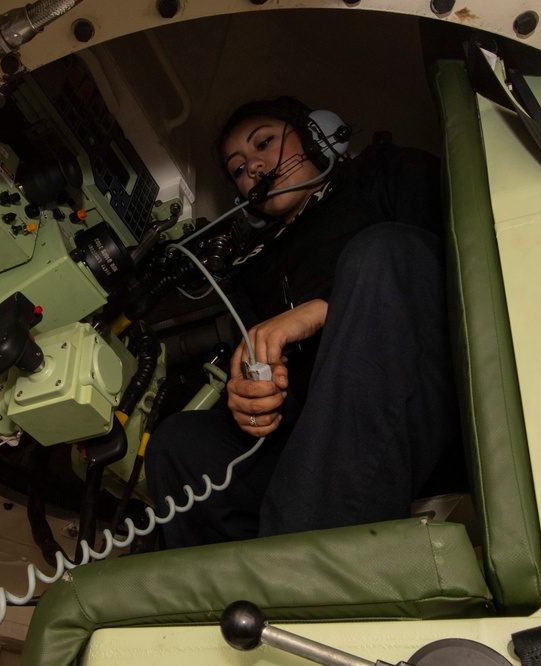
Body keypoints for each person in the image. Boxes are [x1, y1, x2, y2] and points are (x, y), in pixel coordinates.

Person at [144, 96, 462, 547]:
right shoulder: (251, 271)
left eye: (264, 143)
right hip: (319, 439)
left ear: (316, 134)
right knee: (178, 443)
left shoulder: (381, 172)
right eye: (238, 168)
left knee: (382, 250)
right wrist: (253, 403)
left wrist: (319, 310)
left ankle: (310, 560)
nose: (253, 166)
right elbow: (282, 398)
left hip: (426, 389)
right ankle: (229, 597)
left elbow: (454, 259)